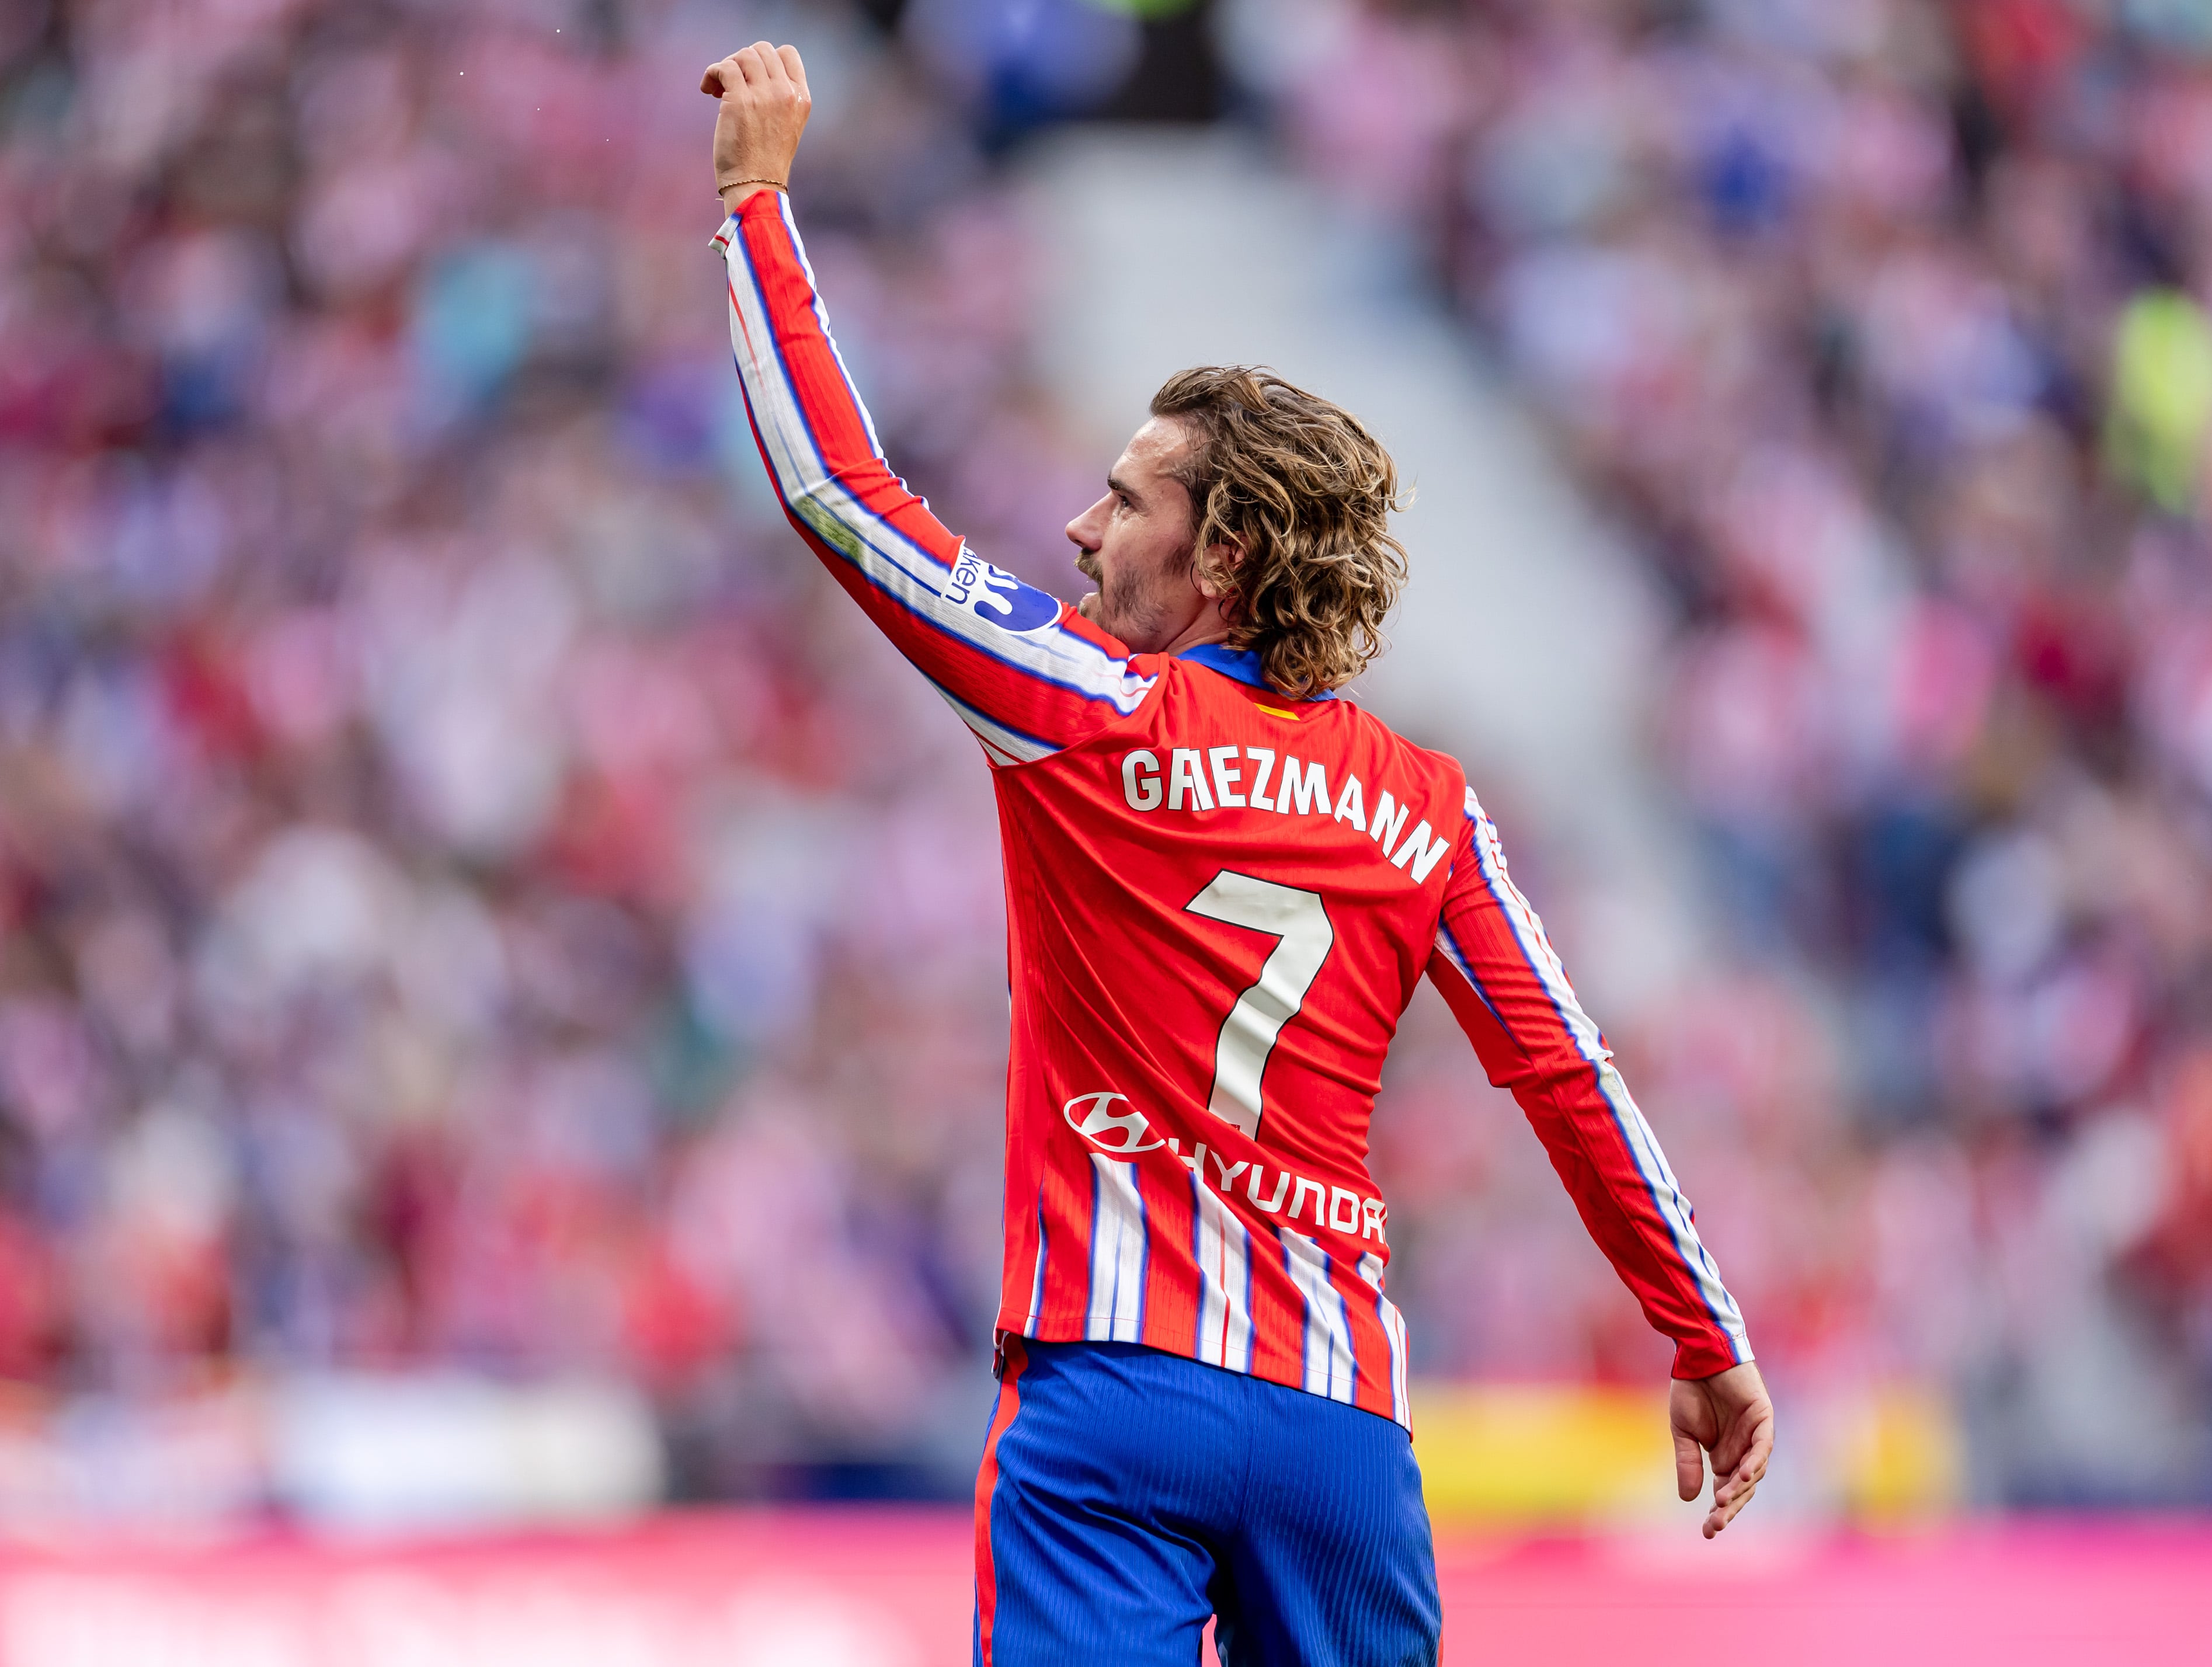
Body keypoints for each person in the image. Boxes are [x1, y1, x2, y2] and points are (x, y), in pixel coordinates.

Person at [701, 41, 1775, 1667]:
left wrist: (756, 206)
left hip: (1109, 1400)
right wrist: (1699, 1332)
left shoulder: (1084, 707)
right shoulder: (1426, 804)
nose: (1077, 530)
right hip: (1338, 1429)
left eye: (1123, 502)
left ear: (1223, 554)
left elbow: (838, 494)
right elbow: (1568, 1075)